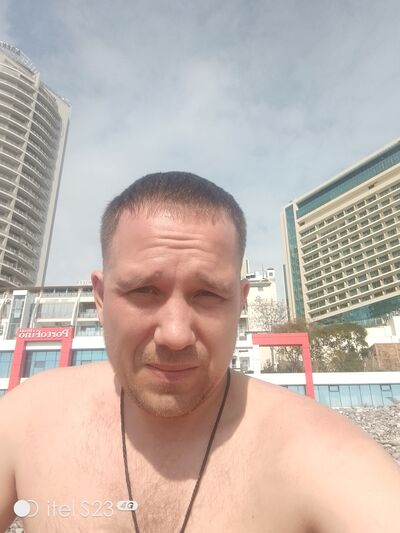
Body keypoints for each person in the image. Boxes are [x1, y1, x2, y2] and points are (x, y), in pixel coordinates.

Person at [0, 171, 399, 533]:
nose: (175, 335)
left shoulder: (319, 452)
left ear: (239, 303)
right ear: (101, 299)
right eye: (144, 291)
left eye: (207, 294)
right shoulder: (28, 419)